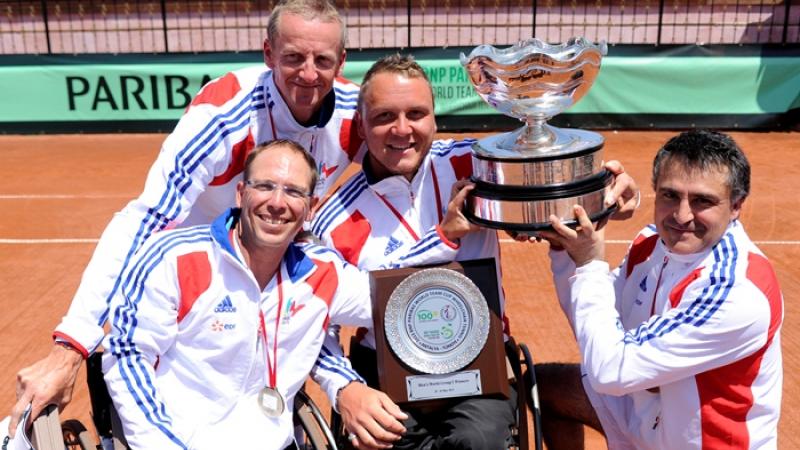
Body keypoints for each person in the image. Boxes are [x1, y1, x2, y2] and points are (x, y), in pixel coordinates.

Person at [9, 0, 364, 435]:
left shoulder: (357, 113)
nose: (308, 74)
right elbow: (146, 219)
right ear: (268, 53)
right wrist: (71, 346)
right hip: (202, 269)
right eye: (293, 57)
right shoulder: (221, 116)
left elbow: (406, 172)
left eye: (322, 60)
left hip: (277, 268)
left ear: (341, 61)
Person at [309, 53, 641, 450]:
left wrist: (615, 192)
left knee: (480, 442)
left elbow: (560, 186)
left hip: (477, 367)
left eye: (416, 113)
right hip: (385, 373)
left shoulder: (479, 165)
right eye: (384, 117)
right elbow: (312, 320)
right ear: (361, 125)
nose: (402, 129)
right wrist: (345, 389)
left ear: (435, 119)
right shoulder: (331, 218)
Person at [103, 139, 374, 449]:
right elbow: (128, 356)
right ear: (241, 193)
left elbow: (397, 301)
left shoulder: (323, 272)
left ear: (311, 208)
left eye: (294, 192)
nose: (276, 202)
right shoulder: (175, 257)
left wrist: (443, 239)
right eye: (265, 186)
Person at [538, 130, 783, 449]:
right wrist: (565, 250)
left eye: (702, 201)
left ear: (736, 205)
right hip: (648, 424)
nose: (682, 216)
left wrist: (588, 264)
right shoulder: (652, 244)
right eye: (670, 195)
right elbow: (596, 328)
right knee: (547, 386)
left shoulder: (736, 290)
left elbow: (610, 369)